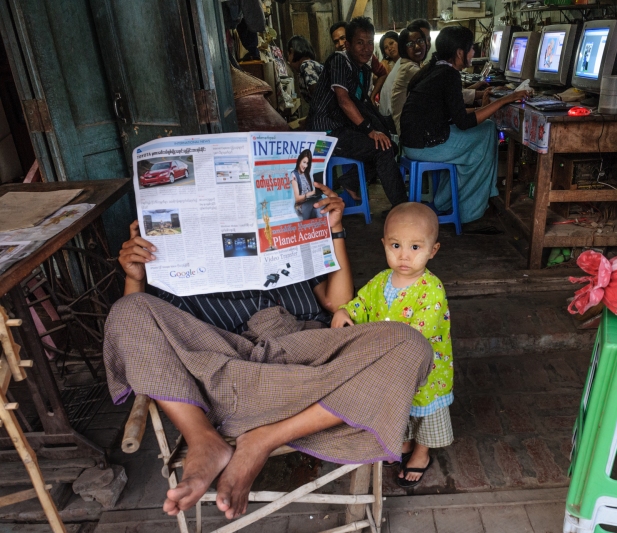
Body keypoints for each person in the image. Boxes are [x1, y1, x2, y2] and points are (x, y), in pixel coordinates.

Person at [107, 183, 433, 520]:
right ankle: (203, 439)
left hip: (309, 359)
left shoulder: (285, 235)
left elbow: (337, 303)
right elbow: (143, 339)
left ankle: (263, 440)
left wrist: (335, 228)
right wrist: (136, 277)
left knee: (410, 345)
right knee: (126, 310)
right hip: (227, 365)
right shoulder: (175, 262)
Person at [331, 203, 452, 488]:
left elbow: (418, 332)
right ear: (384, 244)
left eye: (415, 247)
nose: (403, 256)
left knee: (425, 411)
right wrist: (345, 311)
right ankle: (405, 444)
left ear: (432, 250)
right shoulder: (381, 281)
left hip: (426, 371)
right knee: (401, 408)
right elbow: (361, 302)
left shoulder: (431, 290)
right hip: (392, 367)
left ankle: (421, 454)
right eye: (396, 245)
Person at [400, 26, 528, 224]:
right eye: (471, 48)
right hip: (424, 145)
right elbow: (464, 122)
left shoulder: (435, 69)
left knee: (482, 134)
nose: (473, 53)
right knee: (486, 132)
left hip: (413, 142)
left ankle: (448, 201)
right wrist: (503, 100)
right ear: (459, 52)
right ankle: (470, 211)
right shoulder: (448, 75)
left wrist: (487, 108)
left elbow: (454, 114)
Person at [309, 17, 406, 207]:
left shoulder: (364, 69)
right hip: (326, 132)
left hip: (343, 129)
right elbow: (343, 100)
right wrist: (369, 130)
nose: (366, 48)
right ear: (348, 44)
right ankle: (402, 209)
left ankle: (351, 182)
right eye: (360, 43)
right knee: (382, 149)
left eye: (370, 42)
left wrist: (380, 130)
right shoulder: (338, 61)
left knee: (388, 145)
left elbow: (362, 104)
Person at [330, 21, 388, 101]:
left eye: (343, 38)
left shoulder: (367, 57)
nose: (340, 43)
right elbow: (343, 100)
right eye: (336, 41)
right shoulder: (337, 61)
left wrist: (372, 96)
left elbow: (383, 74)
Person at [390, 25, 428, 135]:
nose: (417, 46)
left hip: (413, 127)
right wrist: (477, 94)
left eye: (420, 41)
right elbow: (438, 87)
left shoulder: (417, 65)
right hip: (410, 133)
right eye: (410, 44)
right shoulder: (409, 68)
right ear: (403, 48)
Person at [286, 35, 323, 105]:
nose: (288, 60)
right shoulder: (309, 65)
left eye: (288, 54)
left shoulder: (306, 65)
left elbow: (317, 95)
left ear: (291, 51)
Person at [291, 149, 321, 220]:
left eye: (307, 163)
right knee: (319, 206)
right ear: (299, 161)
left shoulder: (306, 174)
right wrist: (310, 194)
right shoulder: (294, 175)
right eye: (304, 162)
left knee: (320, 205)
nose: (305, 165)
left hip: (310, 204)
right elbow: (297, 199)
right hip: (301, 207)